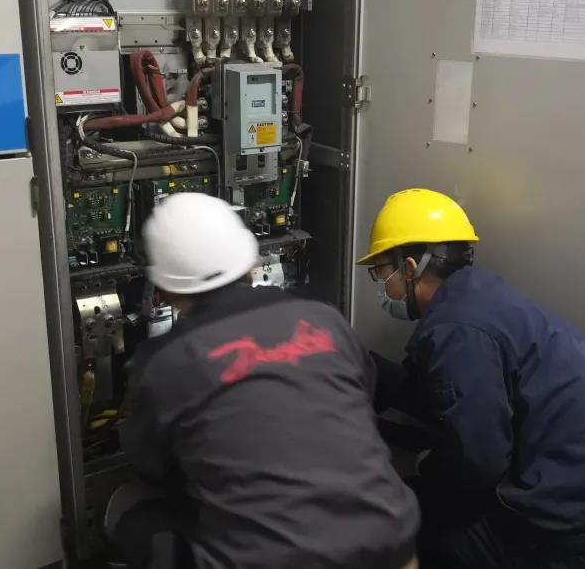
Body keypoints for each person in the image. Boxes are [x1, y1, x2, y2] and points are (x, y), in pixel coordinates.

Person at [108, 192, 419, 569]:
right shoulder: (324, 320)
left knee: (130, 509)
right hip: (390, 545)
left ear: (164, 289)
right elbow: (362, 398)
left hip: (270, 560)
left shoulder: (162, 363)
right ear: (251, 264)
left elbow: (151, 465)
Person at [361, 188, 585, 569]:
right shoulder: (480, 299)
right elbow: (446, 396)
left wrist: (427, 465)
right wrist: (367, 369)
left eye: (381, 273)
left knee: (411, 510)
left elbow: (478, 465)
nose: (382, 285)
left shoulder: (456, 333)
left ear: (409, 268)